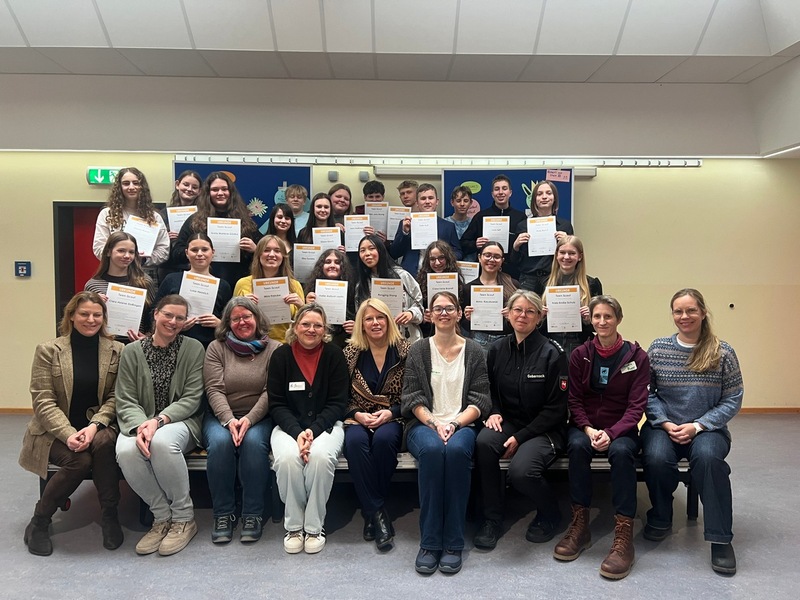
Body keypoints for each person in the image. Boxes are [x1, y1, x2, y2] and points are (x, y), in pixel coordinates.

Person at [641, 288, 743, 575]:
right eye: (678, 311)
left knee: (710, 461)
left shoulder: (722, 352)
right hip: (664, 427)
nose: (684, 316)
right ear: (672, 314)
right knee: (656, 457)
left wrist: (698, 425)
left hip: (708, 429)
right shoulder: (659, 348)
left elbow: (733, 398)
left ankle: (720, 538)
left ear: (703, 313)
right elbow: (646, 393)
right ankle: (661, 514)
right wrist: (663, 422)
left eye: (690, 310)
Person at [19, 292, 125, 556]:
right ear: (71, 316)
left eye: (97, 315)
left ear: (104, 318)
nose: (91, 319)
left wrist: (94, 426)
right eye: (84, 314)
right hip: (55, 430)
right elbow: (43, 400)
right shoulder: (49, 350)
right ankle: (40, 521)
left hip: (97, 426)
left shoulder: (116, 350)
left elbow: (116, 397)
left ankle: (110, 515)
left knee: (104, 443)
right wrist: (68, 434)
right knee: (79, 461)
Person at [553, 295, 649, 580]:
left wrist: (612, 432)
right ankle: (580, 525)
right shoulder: (580, 354)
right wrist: (587, 428)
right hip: (586, 429)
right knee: (577, 447)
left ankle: (623, 535)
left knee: (622, 452)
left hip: (622, 430)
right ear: (590, 320)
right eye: (597, 317)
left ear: (618, 319)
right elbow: (574, 399)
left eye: (608, 316)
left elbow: (637, 406)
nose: (602, 322)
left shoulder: (636, 356)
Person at [401, 292, 491, 575]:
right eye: (437, 308)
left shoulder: (475, 350)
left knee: (454, 451)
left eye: (449, 308)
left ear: (459, 314)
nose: (443, 313)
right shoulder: (418, 350)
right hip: (424, 424)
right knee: (432, 451)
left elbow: (480, 400)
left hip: (461, 423)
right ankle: (429, 542)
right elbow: (412, 397)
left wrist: (453, 425)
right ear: (429, 315)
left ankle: (453, 542)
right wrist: (434, 423)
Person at [473, 290, 568, 551]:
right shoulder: (497, 349)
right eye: (517, 310)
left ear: (539, 317)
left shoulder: (553, 354)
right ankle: (492, 518)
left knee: (521, 471)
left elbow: (556, 410)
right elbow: (488, 388)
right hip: (510, 422)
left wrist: (520, 437)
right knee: (484, 442)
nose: (522, 316)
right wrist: (492, 411)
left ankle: (550, 513)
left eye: (529, 311)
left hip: (544, 428)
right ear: (508, 313)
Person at [115, 294, 205, 556]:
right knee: (126, 451)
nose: (173, 321)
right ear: (155, 314)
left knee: (163, 443)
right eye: (168, 315)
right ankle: (161, 517)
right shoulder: (131, 351)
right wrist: (142, 425)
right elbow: (126, 397)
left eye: (179, 317)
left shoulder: (194, 348)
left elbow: (192, 397)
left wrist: (158, 421)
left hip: (181, 421)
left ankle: (184, 518)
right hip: (139, 421)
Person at [268, 303, 349, 555]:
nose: (311, 329)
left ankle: (314, 526)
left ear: (324, 329)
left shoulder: (334, 355)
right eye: (305, 324)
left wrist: (312, 431)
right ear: (295, 327)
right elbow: (277, 403)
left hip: (326, 426)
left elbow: (338, 402)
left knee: (320, 458)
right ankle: (294, 526)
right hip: (287, 427)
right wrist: (297, 433)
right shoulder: (281, 356)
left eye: (317, 325)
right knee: (287, 460)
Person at [203, 297, 280, 544]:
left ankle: (252, 514)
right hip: (220, 415)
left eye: (247, 316)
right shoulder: (217, 347)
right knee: (221, 444)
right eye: (235, 318)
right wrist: (229, 420)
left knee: (253, 445)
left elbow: (271, 391)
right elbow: (214, 389)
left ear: (257, 319)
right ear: (228, 323)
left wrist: (247, 420)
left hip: (259, 416)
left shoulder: (274, 349)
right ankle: (223, 513)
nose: (242, 322)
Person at [342, 298, 410, 550]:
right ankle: (378, 512)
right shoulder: (349, 353)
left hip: (393, 416)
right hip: (357, 417)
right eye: (369, 318)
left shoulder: (406, 350)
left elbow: (415, 394)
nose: (375, 323)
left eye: (380, 317)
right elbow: (341, 396)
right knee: (355, 441)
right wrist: (357, 413)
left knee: (383, 441)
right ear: (361, 324)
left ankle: (371, 512)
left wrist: (391, 413)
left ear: (389, 320)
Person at [172, 171, 262, 290]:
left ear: (231, 192)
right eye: (215, 190)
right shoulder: (194, 220)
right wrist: (195, 251)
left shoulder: (245, 221)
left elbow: (265, 250)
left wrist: (255, 249)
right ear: (208, 193)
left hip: (238, 285)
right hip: (202, 284)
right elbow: (176, 254)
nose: (220, 193)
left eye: (224, 189)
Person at [155, 233, 232, 348]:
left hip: (210, 346)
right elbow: (154, 311)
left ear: (213, 252)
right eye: (194, 250)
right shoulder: (172, 279)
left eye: (205, 249)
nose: (199, 254)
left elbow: (231, 320)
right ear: (187, 253)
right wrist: (176, 324)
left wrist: (219, 324)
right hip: (171, 343)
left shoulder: (223, 285)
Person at [92, 167, 170, 270]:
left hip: (144, 272)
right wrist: (120, 259)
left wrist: (143, 260)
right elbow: (99, 247)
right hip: (114, 271)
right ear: (119, 187)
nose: (131, 187)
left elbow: (164, 249)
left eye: (136, 183)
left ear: (142, 187)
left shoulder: (154, 217)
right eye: (126, 183)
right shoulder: (107, 214)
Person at [84, 231, 155, 342]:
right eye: (121, 251)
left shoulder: (144, 282)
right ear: (108, 252)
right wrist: (93, 303)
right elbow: (86, 319)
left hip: (136, 345)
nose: (127, 256)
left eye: (131, 252)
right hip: (104, 344)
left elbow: (153, 315)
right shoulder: (93, 285)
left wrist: (149, 337)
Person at [234, 235, 305, 343]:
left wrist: (301, 306)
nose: (272, 255)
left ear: (283, 256)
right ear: (258, 255)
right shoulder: (242, 284)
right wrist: (243, 306)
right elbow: (232, 318)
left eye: (277, 251)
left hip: (286, 345)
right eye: (266, 250)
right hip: (251, 344)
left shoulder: (294, 285)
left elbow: (305, 322)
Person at [354, 234, 424, 343]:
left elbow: (419, 303)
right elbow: (360, 315)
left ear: (381, 251)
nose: (367, 254)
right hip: (377, 343)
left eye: (372, 248)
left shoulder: (402, 276)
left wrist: (411, 313)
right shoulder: (361, 285)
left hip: (407, 338)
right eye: (362, 250)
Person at [541, 235, 602, 356]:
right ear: (556, 255)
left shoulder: (592, 284)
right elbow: (535, 325)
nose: (566, 257)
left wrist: (589, 319)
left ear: (580, 256)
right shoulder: (542, 283)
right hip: (549, 344)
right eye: (562, 252)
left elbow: (600, 324)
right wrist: (540, 316)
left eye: (572, 253)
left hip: (580, 344)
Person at [511, 180, 574, 293]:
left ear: (554, 198)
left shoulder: (565, 226)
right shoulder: (523, 225)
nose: (544, 197)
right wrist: (515, 246)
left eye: (548, 193)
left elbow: (573, 258)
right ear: (534, 199)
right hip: (528, 279)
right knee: (527, 310)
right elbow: (514, 262)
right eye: (539, 194)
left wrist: (567, 242)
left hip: (554, 277)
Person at [459, 174, 526, 278]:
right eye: (496, 189)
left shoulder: (521, 217)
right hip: (486, 271)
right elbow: (463, 243)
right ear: (492, 194)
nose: (500, 192)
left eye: (504, 188)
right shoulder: (480, 216)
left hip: (512, 272)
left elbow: (526, 250)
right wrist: (475, 244)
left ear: (510, 193)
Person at [389, 183, 462, 277]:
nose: (427, 202)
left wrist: (444, 255)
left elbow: (459, 253)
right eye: (423, 199)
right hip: (412, 275)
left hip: (439, 274)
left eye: (431, 198)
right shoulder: (406, 223)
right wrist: (405, 232)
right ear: (417, 202)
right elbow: (394, 253)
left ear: (437, 201)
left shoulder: (448, 226)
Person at [463, 241, 519, 350]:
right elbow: (463, 324)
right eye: (487, 255)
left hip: (508, 340)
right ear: (479, 257)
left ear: (502, 260)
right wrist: (468, 319)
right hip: (479, 341)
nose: (492, 260)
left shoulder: (513, 284)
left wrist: (513, 314)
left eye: (497, 257)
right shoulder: (468, 288)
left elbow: (522, 315)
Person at [303, 249, 355, 347]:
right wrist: (307, 306)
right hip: (317, 339)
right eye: (327, 262)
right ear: (321, 266)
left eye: (337, 262)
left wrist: (355, 326)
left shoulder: (353, 290)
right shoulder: (311, 290)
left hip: (344, 340)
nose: (332, 265)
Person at [159, 170, 203, 281]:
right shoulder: (163, 214)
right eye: (186, 184)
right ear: (177, 185)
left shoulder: (203, 215)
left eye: (194, 187)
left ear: (199, 191)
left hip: (194, 267)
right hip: (168, 268)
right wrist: (165, 238)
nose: (189, 189)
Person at [416, 241, 465, 337]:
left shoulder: (458, 283)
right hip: (428, 333)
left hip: (453, 333)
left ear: (448, 258)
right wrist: (423, 318)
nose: (437, 263)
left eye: (441, 258)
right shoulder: (420, 283)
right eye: (432, 259)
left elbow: (462, 315)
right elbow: (417, 311)